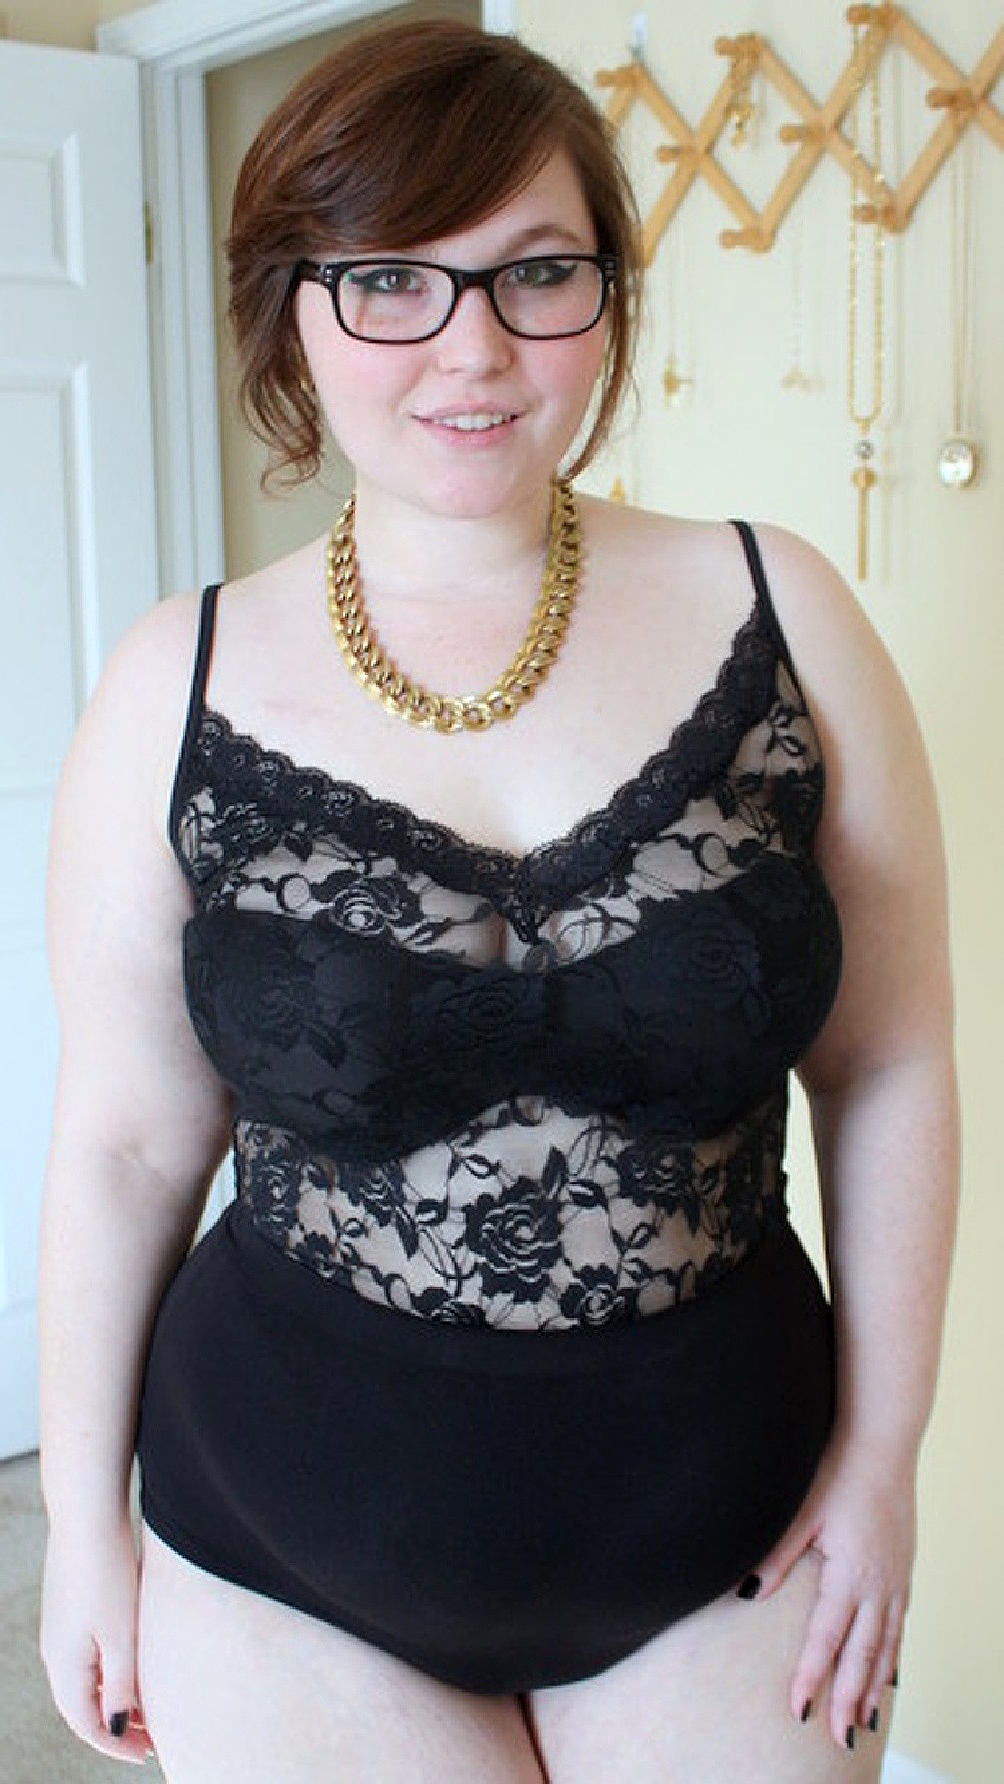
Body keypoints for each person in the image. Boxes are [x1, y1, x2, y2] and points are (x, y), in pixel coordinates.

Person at [38, 17, 959, 1783]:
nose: (472, 346)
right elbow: (127, 1146)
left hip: (741, 1521)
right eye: (391, 278)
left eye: (538, 272)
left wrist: (885, 1461)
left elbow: (892, 1060)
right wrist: (82, 1525)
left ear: (607, 298)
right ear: (291, 308)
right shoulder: (172, 684)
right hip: (285, 1537)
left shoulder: (785, 614)